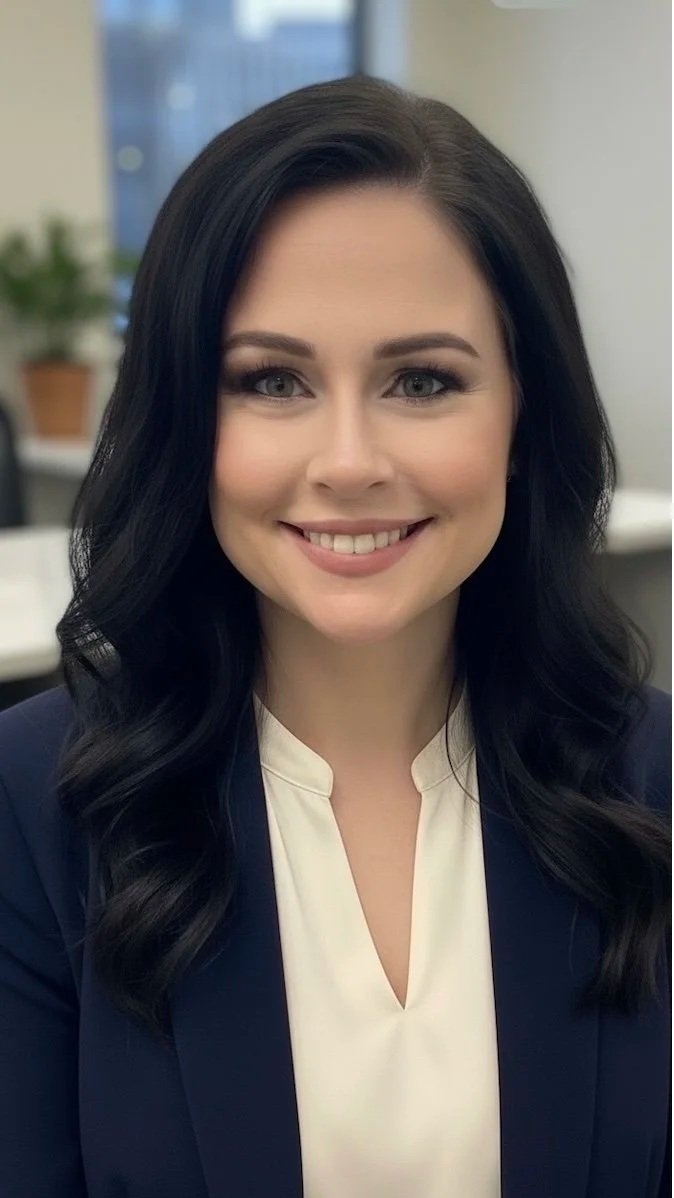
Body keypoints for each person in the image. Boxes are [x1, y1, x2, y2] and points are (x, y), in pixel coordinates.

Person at [0, 74, 670, 1198]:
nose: (349, 460)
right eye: (272, 380)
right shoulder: (32, 808)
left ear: (522, 415)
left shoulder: (654, 781)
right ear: (186, 418)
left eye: (422, 380)